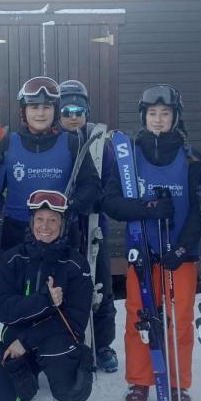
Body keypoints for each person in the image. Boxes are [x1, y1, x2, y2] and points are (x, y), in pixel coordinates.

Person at [101, 85, 201, 401]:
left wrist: (184, 247)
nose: (158, 120)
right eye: (152, 114)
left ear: (175, 117)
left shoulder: (190, 157)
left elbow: (200, 210)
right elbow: (112, 203)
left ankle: (177, 382)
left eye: (165, 114)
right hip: (142, 253)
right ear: (143, 117)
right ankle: (140, 381)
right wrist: (147, 208)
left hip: (179, 256)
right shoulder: (129, 155)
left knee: (180, 319)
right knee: (138, 317)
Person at [0, 190, 94, 401]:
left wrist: (27, 339)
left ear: (62, 225)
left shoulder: (76, 264)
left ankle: (62, 392)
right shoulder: (12, 259)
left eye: (53, 220)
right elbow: (3, 309)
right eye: (40, 219)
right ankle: (25, 385)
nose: (46, 226)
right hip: (18, 345)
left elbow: (74, 322)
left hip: (56, 343)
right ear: (31, 222)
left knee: (59, 349)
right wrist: (44, 301)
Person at [0, 76, 100, 252]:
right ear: (24, 111)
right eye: (34, 107)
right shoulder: (8, 143)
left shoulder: (72, 143)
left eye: (47, 107)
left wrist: (72, 206)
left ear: (55, 109)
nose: (41, 113)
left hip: (60, 233)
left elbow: (92, 185)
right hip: (17, 236)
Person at [58, 79, 119, 374]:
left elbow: (110, 181)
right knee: (68, 287)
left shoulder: (99, 142)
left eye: (78, 109)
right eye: (66, 109)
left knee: (101, 286)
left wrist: (95, 200)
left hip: (93, 228)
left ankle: (104, 344)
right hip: (63, 229)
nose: (72, 115)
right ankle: (71, 340)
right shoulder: (54, 141)